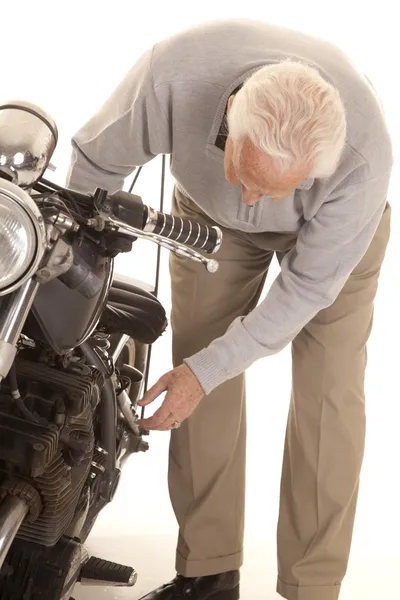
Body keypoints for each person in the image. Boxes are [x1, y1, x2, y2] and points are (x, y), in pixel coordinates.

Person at [66, 19, 393, 600]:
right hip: (205, 219)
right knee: (192, 372)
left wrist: (213, 369)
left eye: (272, 188)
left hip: (333, 245)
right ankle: (209, 572)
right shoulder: (173, 76)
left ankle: (311, 588)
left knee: (330, 396)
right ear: (230, 114)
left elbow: (304, 292)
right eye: (246, 171)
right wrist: (78, 272)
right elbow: (94, 164)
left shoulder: (362, 159)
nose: (251, 200)